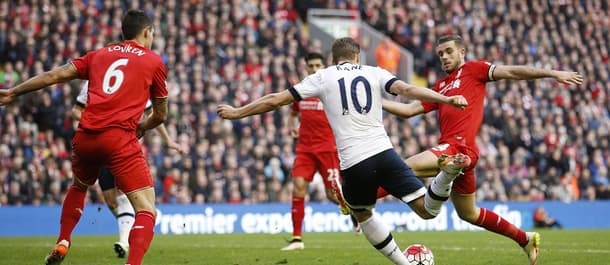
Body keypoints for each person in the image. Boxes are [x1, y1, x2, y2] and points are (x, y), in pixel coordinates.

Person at [218, 37, 469, 264]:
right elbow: (407, 90)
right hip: (385, 154)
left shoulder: (322, 77)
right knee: (427, 211)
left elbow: (275, 99)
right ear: (357, 57)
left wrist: (238, 112)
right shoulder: (374, 72)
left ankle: (404, 264)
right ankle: (446, 175)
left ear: (332, 59)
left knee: (361, 213)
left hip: (354, 162)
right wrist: (445, 99)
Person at [381, 34, 583, 265]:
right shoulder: (441, 86)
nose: (444, 57)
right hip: (455, 151)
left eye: (448, 51)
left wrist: (552, 73)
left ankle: (360, 203)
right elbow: (409, 111)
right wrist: (375, 102)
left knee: (403, 167)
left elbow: (512, 72)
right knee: (469, 214)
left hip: (458, 147)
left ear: (462, 52)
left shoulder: (474, 70)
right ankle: (525, 239)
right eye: (440, 54)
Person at [0, 9, 167, 265]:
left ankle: (63, 240)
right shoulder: (153, 61)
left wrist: (14, 92)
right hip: (119, 139)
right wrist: (143, 126)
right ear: (147, 33)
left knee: (79, 186)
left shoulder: (99, 55)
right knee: (146, 209)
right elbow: (160, 115)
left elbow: (53, 75)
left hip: (86, 137)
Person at [72, 81, 184, 258]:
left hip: (125, 149)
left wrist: (167, 140)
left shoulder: (134, 81)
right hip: (100, 147)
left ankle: (125, 240)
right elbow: (76, 111)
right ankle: (134, 224)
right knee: (110, 201)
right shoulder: (93, 81)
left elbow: (153, 113)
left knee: (124, 196)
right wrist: (93, 121)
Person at [281, 52, 358, 251]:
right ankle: (297, 238)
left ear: (324, 67)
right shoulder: (302, 90)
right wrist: (292, 125)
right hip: (305, 149)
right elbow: (293, 112)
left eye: (318, 65)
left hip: (327, 148)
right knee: (298, 187)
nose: (315, 70)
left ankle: (356, 214)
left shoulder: (331, 90)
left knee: (334, 195)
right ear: (306, 67)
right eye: (311, 66)